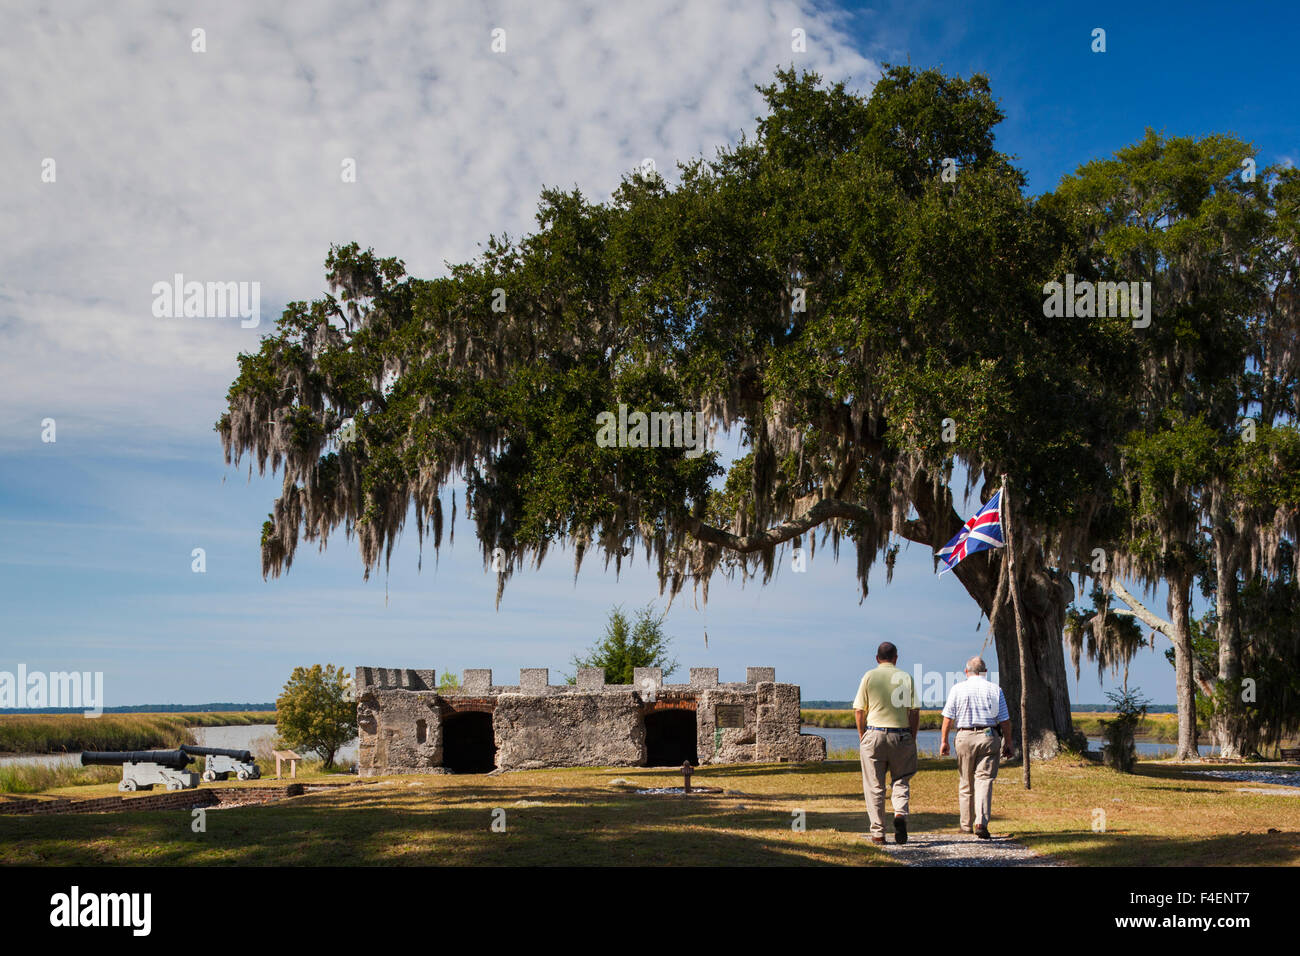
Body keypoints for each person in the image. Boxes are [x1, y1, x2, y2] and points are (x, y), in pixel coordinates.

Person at [852, 641, 920, 845]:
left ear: (877, 658)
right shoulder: (905, 677)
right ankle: (899, 814)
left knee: (874, 785)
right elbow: (914, 711)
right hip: (901, 734)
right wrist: (912, 736)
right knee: (901, 779)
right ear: (896, 658)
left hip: (874, 733)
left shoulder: (869, 676)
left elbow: (859, 710)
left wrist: (862, 735)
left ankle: (878, 832)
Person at [939, 656, 1013, 839]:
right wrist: (1008, 743)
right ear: (985, 672)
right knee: (984, 780)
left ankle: (966, 825)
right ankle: (981, 821)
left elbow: (948, 718)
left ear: (966, 672)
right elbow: (1005, 720)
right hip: (988, 736)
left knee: (965, 781)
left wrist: (944, 741)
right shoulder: (995, 690)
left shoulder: (957, 689)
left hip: (964, 736)